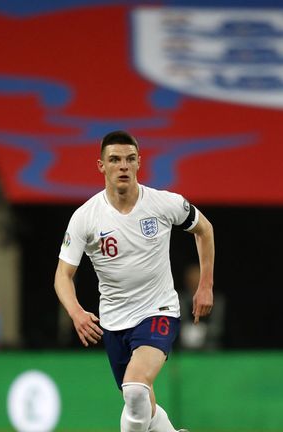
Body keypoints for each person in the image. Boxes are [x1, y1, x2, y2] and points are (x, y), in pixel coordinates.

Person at [54, 131, 214, 432]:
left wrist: (205, 285)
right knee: (141, 403)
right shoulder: (85, 218)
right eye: (115, 160)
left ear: (139, 163)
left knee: (136, 389)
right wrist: (75, 312)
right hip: (114, 323)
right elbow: (63, 275)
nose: (123, 166)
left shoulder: (164, 203)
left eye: (129, 159)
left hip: (158, 311)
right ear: (101, 165)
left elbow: (205, 229)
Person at [179, 263, 225, 351]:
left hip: (210, 349)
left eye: (198, 277)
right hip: (185, 349)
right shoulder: (180, 299)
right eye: (192, 278)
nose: (195, 281)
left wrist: (202, 331)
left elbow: (218, 327)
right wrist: (187, 330)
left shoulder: (217, 300)